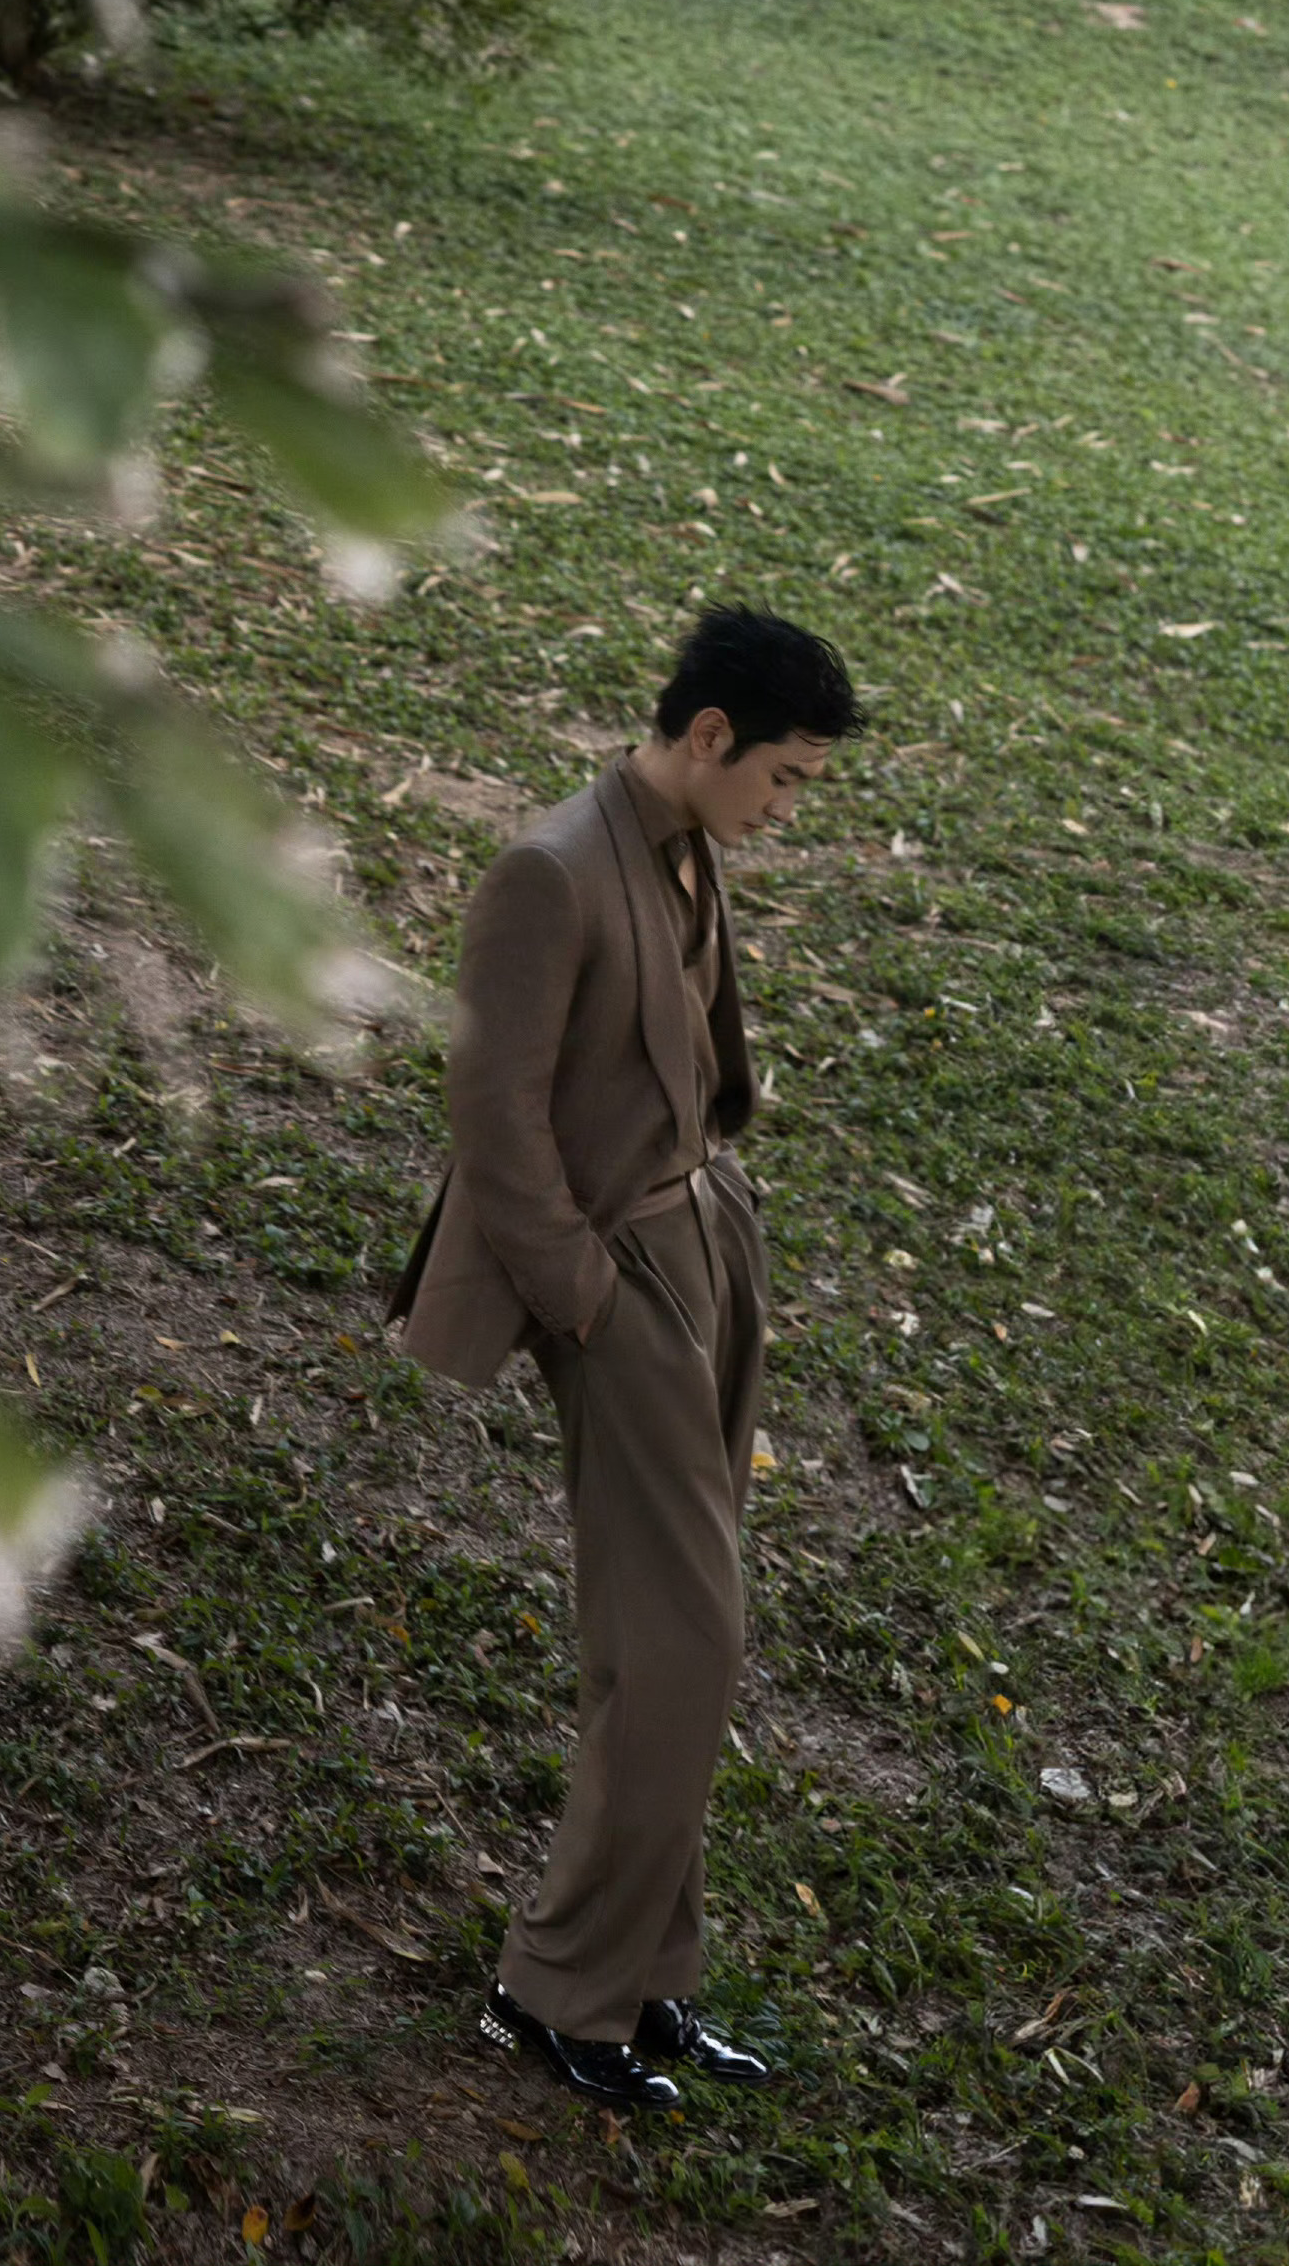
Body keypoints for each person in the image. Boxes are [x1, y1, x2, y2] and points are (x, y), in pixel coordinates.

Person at [387, 604, 863, 2109]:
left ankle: (646, 1975)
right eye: (784, 777)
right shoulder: (548, 872)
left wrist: (718, 1222)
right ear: (710, 736)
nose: (787, 809)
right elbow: (493, 1111)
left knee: (664, 1647)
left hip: (706, 1241)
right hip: (622, 1280)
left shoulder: (685, 845)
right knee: (685, 1645)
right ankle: (553, 1990)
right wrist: (584, 1297)